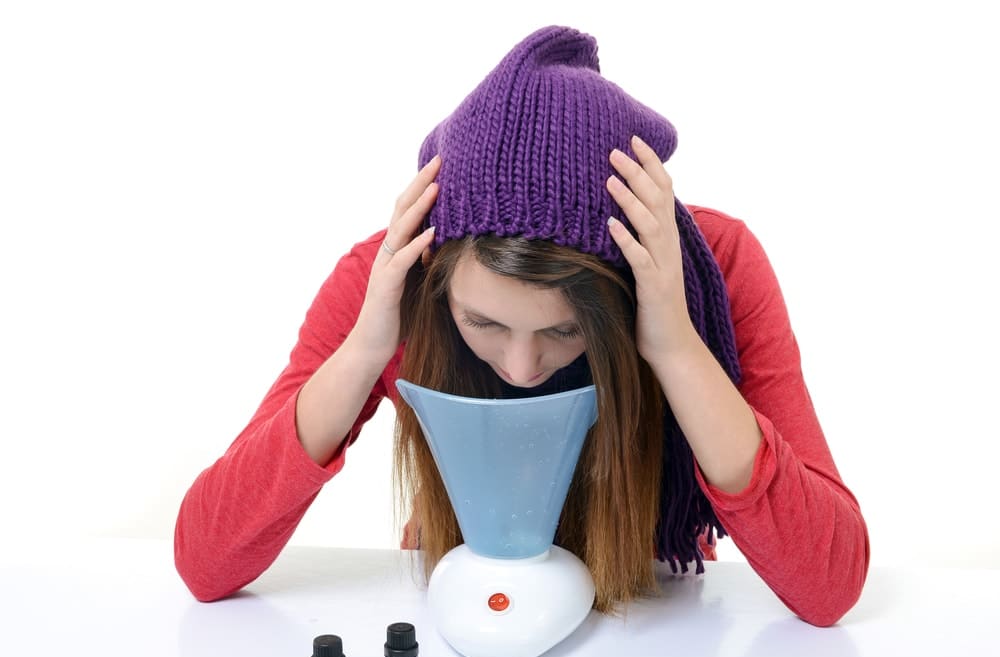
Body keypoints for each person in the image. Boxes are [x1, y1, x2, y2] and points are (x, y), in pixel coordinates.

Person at [174, 25, 869, 626]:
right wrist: (363, 350)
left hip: (655, 626)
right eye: (482, 321)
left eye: (565, 332)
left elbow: (829, 582)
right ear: (440, 277)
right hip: (467, 630)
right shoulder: (390, 280)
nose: (520, 366)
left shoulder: (713, 269)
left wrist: (676, 345)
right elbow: (205, 558)